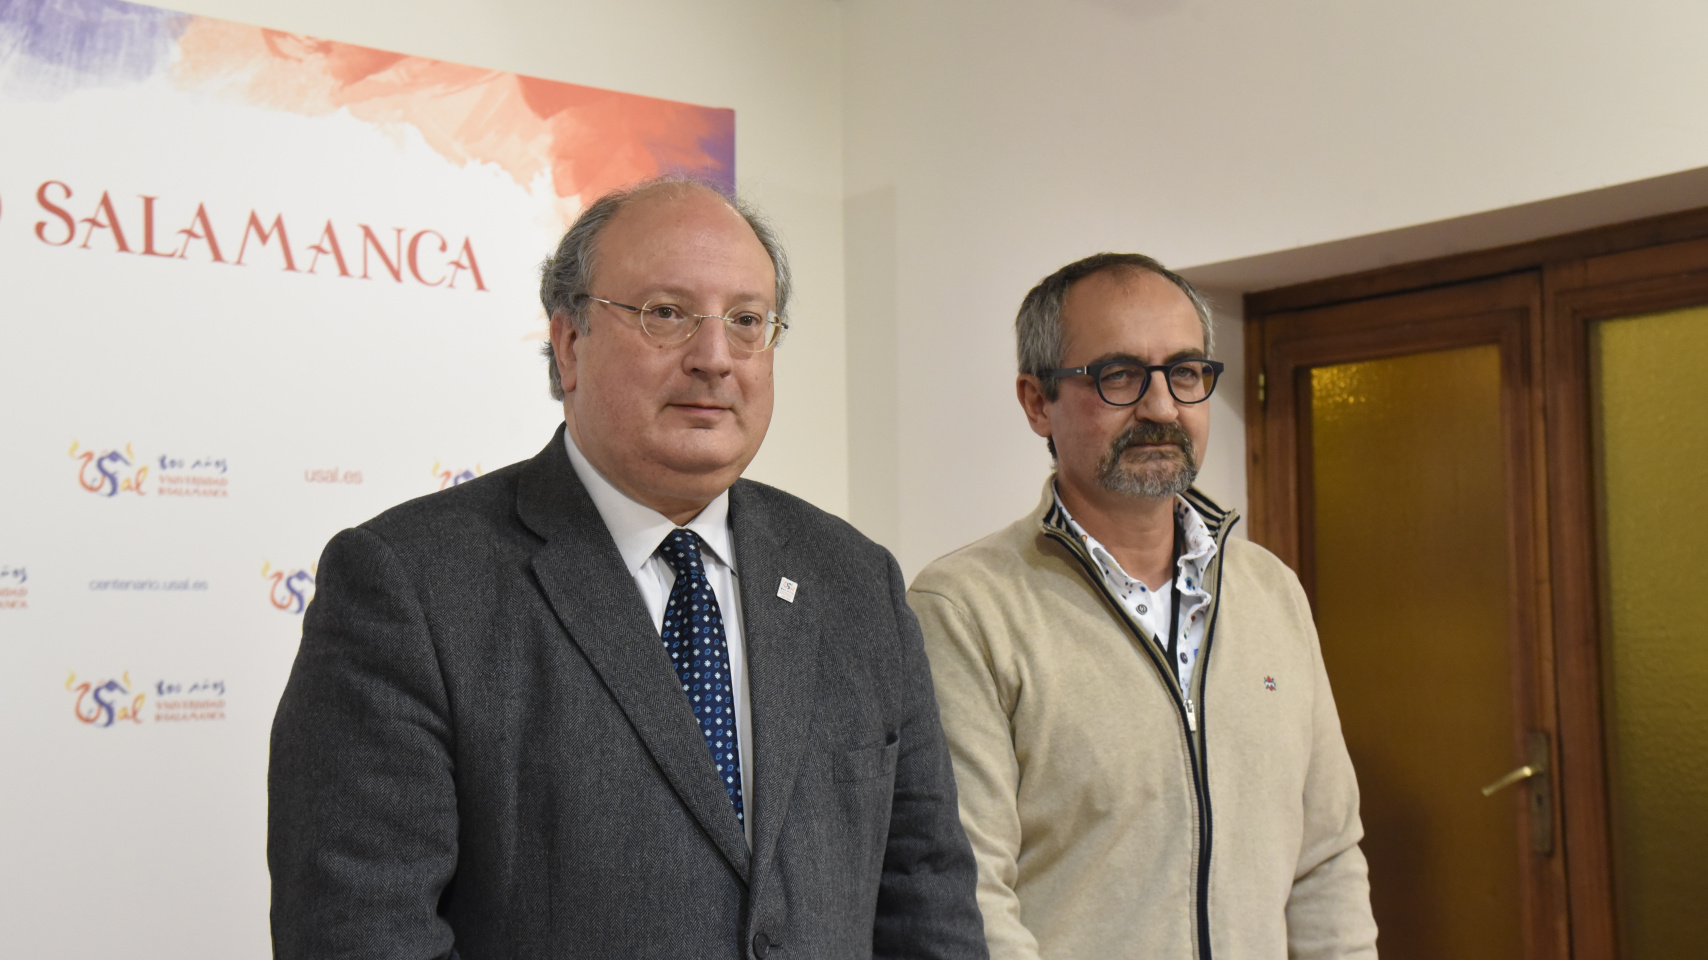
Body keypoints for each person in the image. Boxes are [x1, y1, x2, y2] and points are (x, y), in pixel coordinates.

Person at [269, 179, 986, 960]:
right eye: (667, 314)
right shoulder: (409, 585)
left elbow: (927, 900)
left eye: (747, 321)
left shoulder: (856, 580)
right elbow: (361, 934)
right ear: (570, 343)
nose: (715, 358)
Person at [908, 253, 1378, 960]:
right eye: (1119, 375)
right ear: (1037, 401)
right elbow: (970, 895)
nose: (1162, 407)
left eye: (1185, 373)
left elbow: (1326, 860)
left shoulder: (1271, 591)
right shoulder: (967, 609)